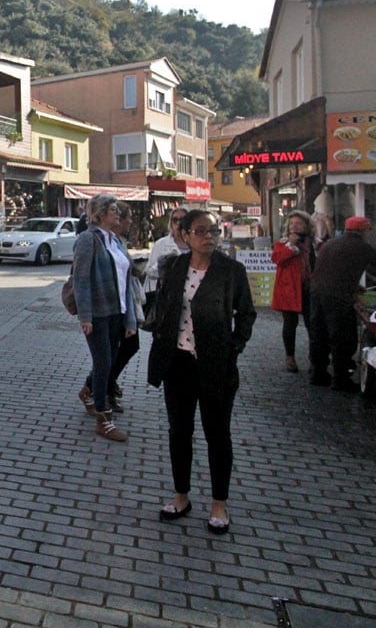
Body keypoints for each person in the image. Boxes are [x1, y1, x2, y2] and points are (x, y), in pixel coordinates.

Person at [147, 209, 256, 535]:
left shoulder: (231, 270)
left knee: (217, 434)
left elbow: (247, 314)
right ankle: (181, 495)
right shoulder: (175, 266)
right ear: (185, 235)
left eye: (214, 231)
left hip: (215, 366)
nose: (209, 237)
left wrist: (233, 347)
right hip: (177, 363)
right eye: (201, 231)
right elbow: (163, 306)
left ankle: (219, 503)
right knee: (179, 431)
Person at [307, 216, 376, 390]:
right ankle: (340, 378)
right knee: (342, 337)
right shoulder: (361, 247)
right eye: (367, 231)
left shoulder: (331, 244)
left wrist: (355, 286)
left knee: (319, 334)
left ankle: (318, 374)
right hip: (338, 297)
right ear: (363, 231)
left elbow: (331, 271)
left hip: (317, 293)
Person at [72, 193, 137, 442]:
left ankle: (89, 395)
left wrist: (130, 319)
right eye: (112, 209)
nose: (117, 213)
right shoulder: (88, 240)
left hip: (117, 311)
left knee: (108, 362)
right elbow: (81, 279)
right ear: (99, 214)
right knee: (103, 364)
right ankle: (103, 418)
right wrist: (85, 316)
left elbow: (126, 281)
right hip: (98, 314)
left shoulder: (116, 240)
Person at [109, 201, 146, 413]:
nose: (131, 221)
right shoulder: (107, 240)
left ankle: (105, 385)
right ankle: (97, 387)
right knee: (121, 348)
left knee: (128, 346)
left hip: (126, 302)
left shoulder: (119, 240)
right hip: (116, 305)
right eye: (128, 217)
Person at [271, 210, 317, 373]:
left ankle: (315, 359)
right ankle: (290, 357)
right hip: (289, 290)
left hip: (308, 289)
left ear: (307, 226)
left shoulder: (314, 243)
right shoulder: (282, 243)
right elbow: (278, 259)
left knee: (313, 325)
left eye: (298, 223)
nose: (294, 226)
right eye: (291, 224)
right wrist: (291, 245)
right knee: (290, 324)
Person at [145, 207, 189, 314]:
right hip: (167, 298)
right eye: (175, 220)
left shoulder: (195, 244)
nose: (178, 223)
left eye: (182, 219)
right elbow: (150, 272)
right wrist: (163, 261)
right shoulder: (161, 244)